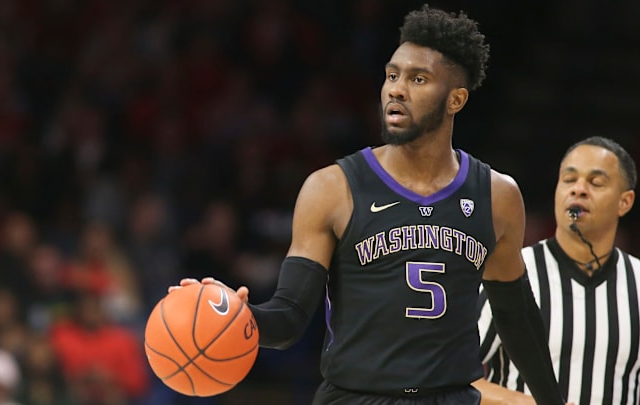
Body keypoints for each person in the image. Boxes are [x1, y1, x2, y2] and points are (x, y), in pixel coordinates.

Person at [174, 5, 568, 404]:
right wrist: (241, 317)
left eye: (418, 79)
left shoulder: (497, 195)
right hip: (356, 397)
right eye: (392, 75)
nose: (397, 89)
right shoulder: (332, 188)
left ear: (456, 100)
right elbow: (290, 317)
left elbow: (516, 318)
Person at [475, 136, 640, 405]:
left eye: (595, 182)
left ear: (625, 202)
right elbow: (455, 378)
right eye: (569, 180)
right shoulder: (508, 276)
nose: (579, 190)